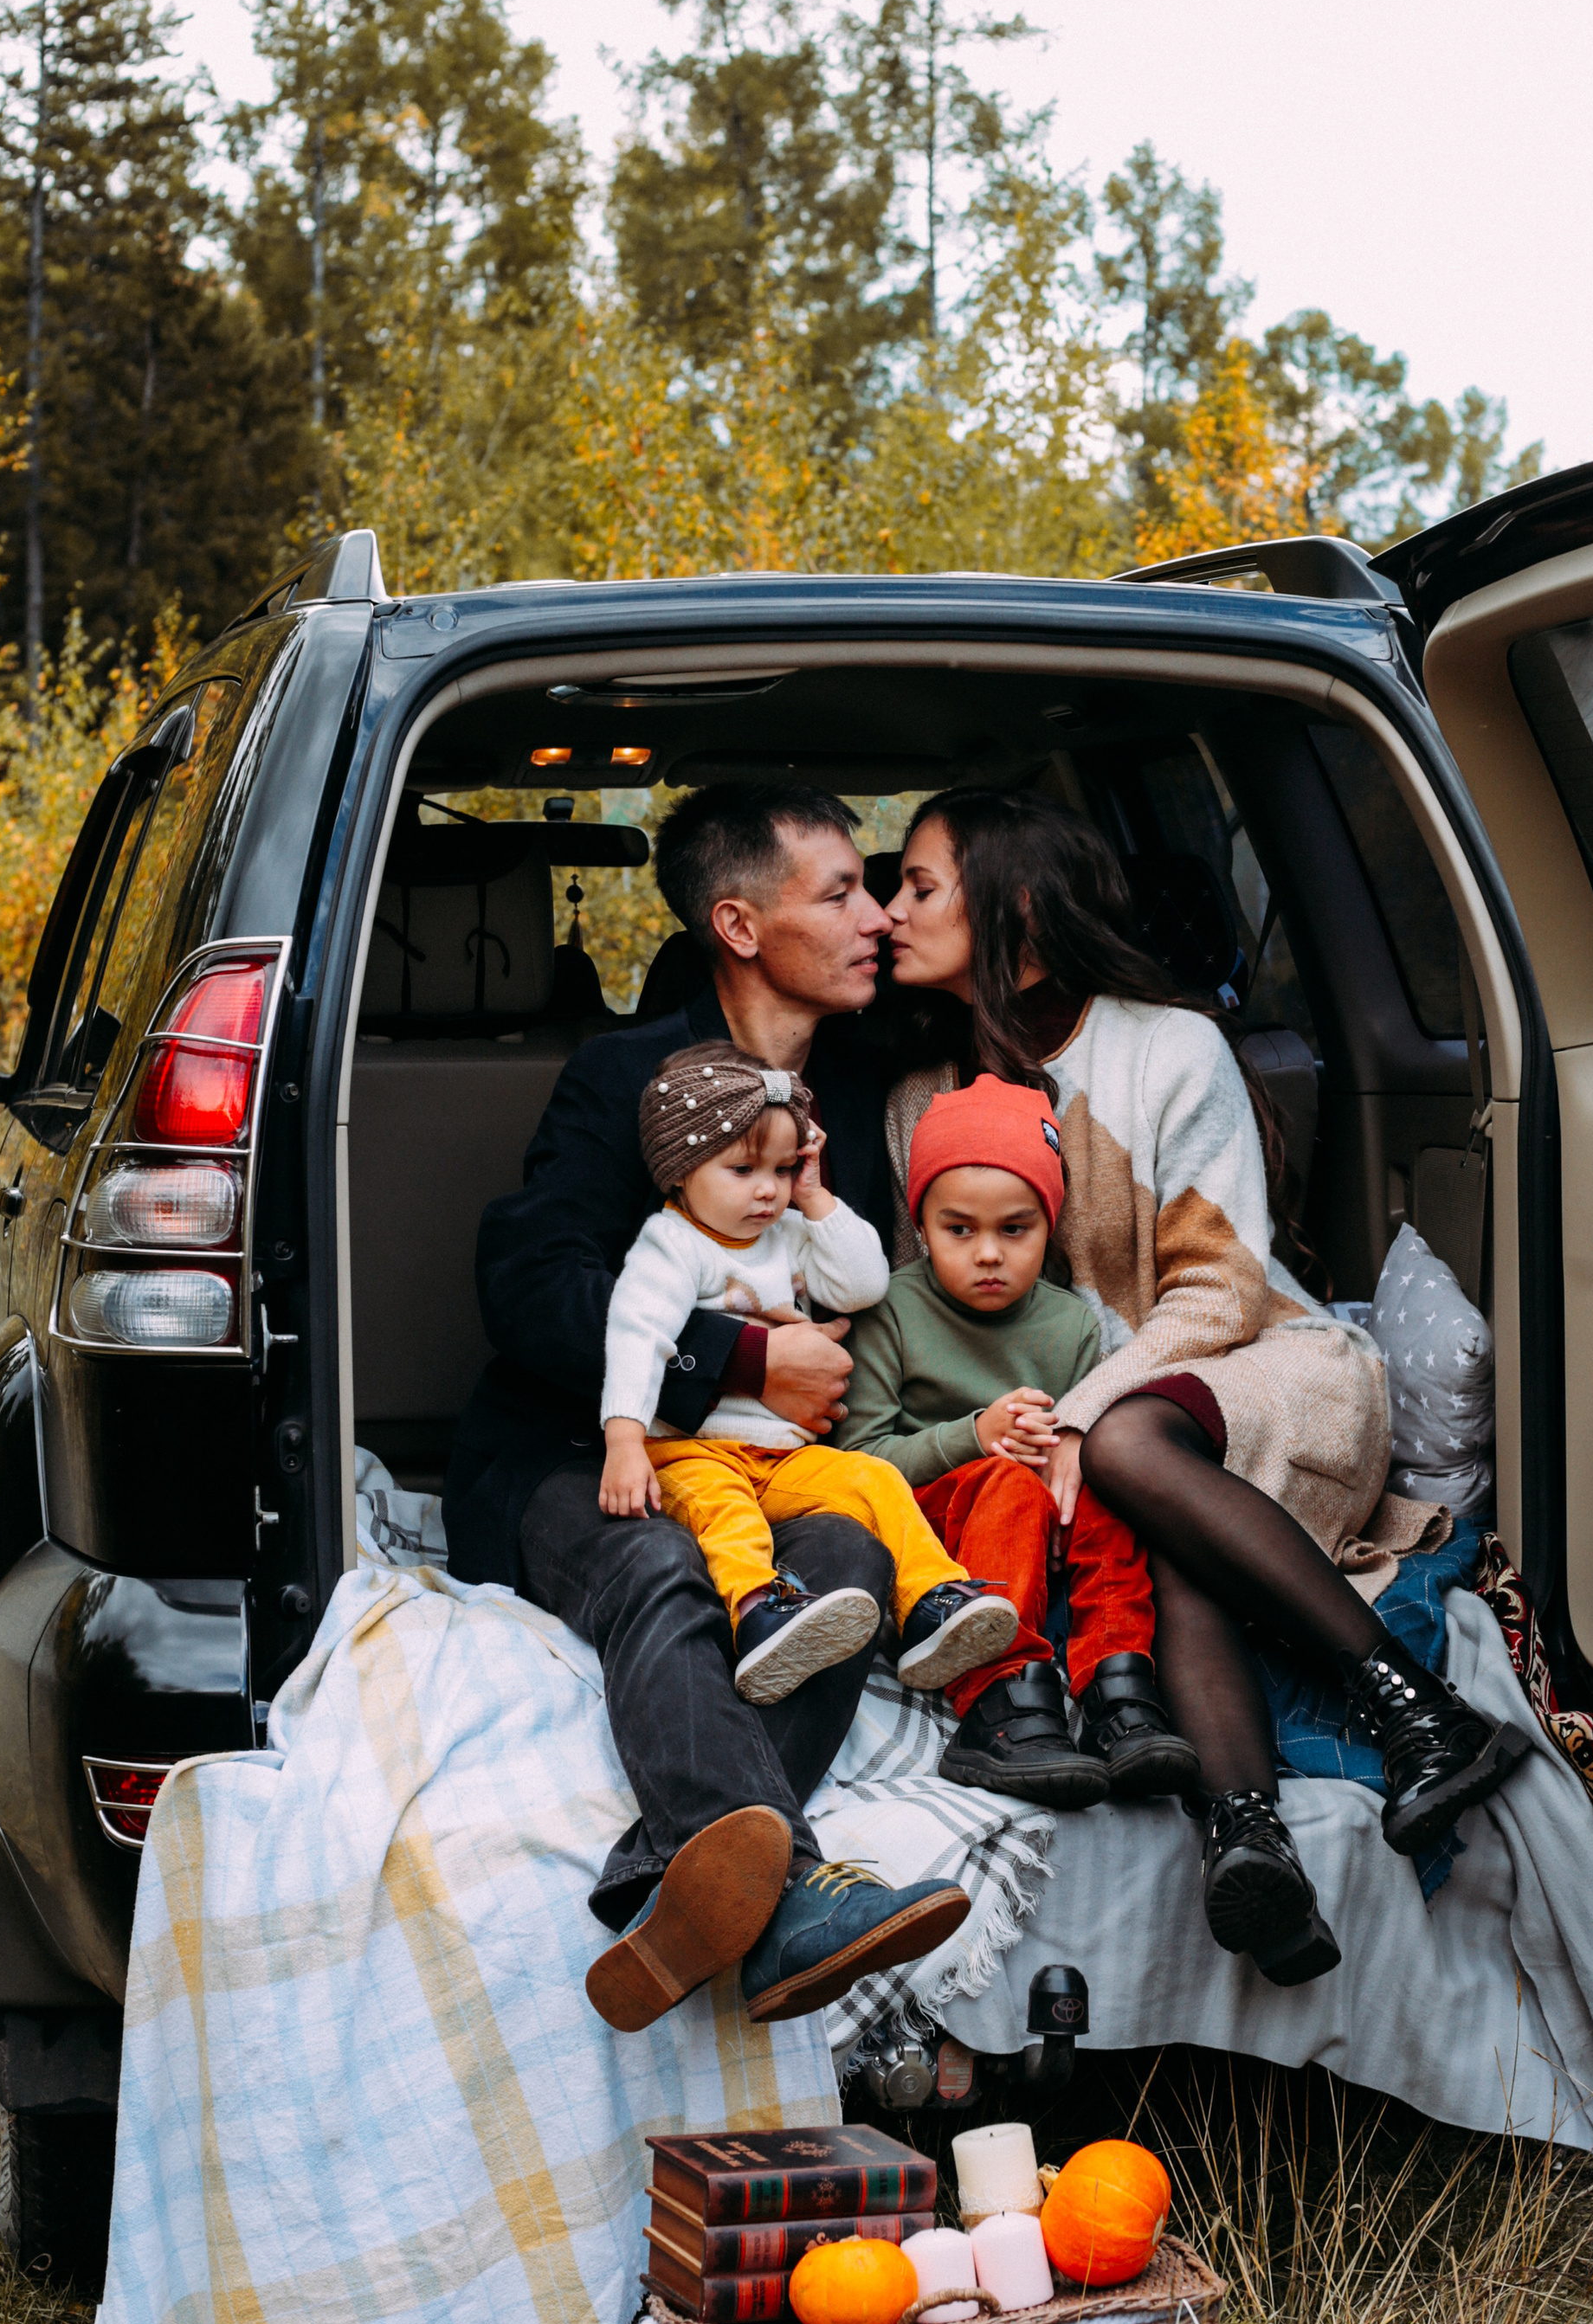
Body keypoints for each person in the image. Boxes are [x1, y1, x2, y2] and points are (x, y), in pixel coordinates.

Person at [882, 788, 1520, 1989]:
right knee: (1150, 1489)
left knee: (1130, 1452)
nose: (890, 908)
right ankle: (1250, 1836)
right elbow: (948, 1320)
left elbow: (1221, 1296)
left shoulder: (1167, 1050)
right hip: (1115, 1432)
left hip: (1263, 1372)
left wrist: (1076, 1417)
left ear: (1016, 904)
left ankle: (1410, 1703)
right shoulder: (921, 1104)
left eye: (918, 885)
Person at [446, 781, 970, 2039]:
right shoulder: (624, 1077)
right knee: (665, 1565)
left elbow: (1009, 967)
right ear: (739, 926)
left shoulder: (872, 1067)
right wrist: (740, 1357)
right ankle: (787, 1887)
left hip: (769, 1465)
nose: (875, 919)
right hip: (579, 1455)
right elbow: (532, 1291)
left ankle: (665, 1879)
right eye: (841, 892)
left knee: (843, 1562)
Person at [598, 1036, 1020, 1699]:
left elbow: (863, 1284)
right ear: (681, 1169)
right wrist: (623, 1442)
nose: (768, 1190)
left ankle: (932, 1603)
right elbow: (634, 1334)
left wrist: (816, 1198)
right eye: (743, 1170)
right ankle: (759, 1615)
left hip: (784, 1459)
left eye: (782, 1167)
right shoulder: (673, 1244)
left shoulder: (787, 1231)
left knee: (875, 1482)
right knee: (724, 1515)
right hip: (690, 1453)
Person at [842, 1072, 1195, 1811]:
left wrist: (1059, 1467)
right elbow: (860, 1464)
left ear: (1050, 1225)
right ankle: (1000, 1697)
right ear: (922, 1223)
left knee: (1105, 1485)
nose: (989, 1254)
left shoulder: (1070, 1326)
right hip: (933, 1528)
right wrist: (977, 1437)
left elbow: (1078, 1441)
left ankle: (1118, 1687)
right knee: (1004, 1485)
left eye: (1015, 1229)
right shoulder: (894, 1311)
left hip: (1037, 1524)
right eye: (958, 1230)